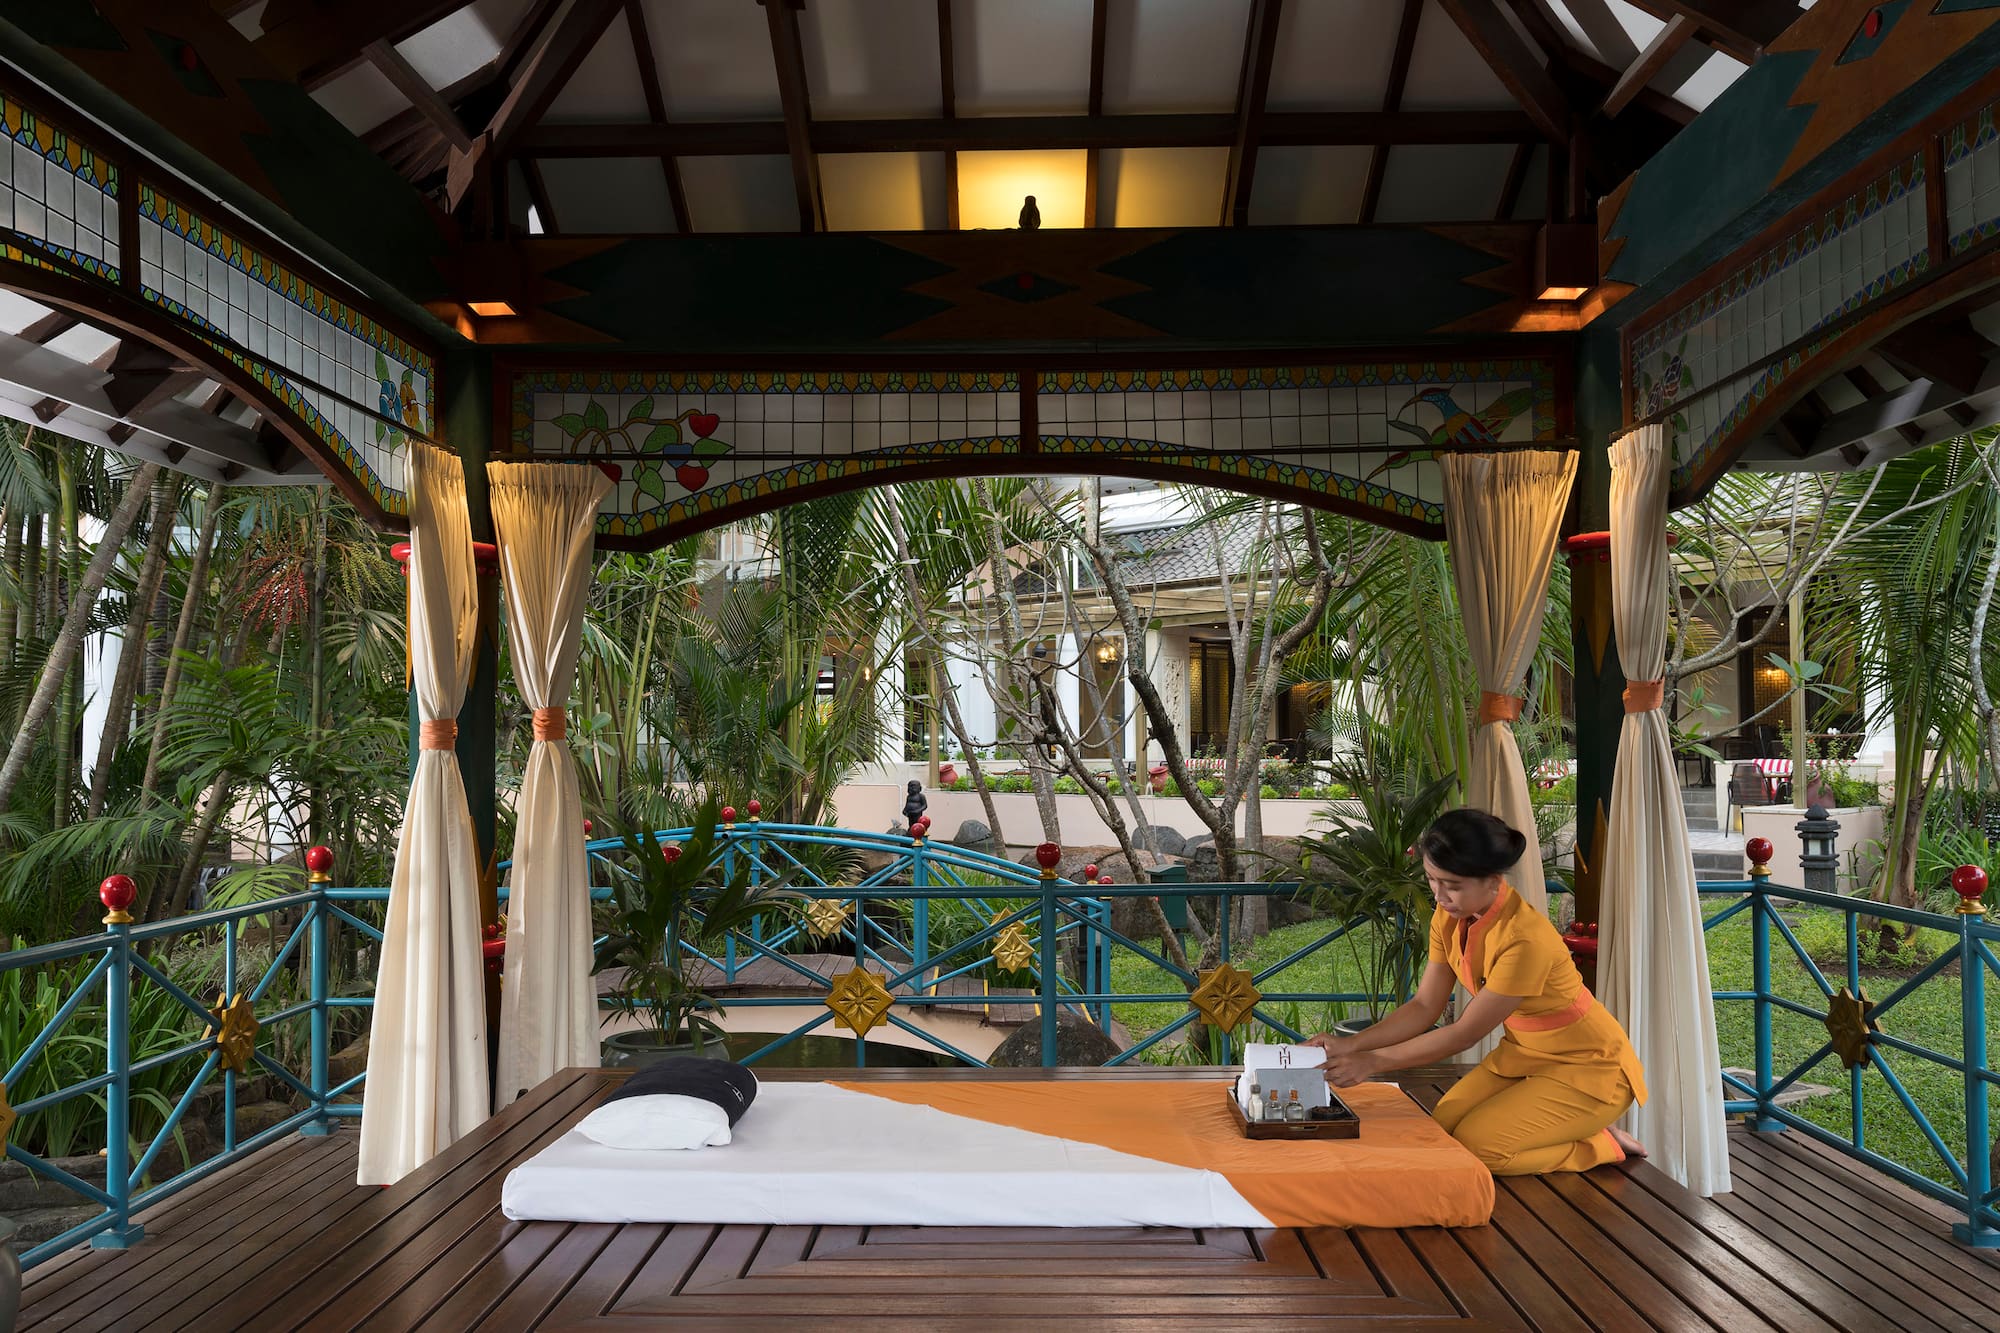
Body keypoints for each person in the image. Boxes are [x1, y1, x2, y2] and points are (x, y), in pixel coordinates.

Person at [1305, 808, 1647, 1175]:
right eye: (1431, 879)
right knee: (1443, 1130)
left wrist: (1372, 1062)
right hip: (1524, 1056)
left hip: (1590, 1067)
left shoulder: (1525, 939)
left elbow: (1464, 1034)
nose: (1439, 895)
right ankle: (1568, 1126)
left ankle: (1601, 1143)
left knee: (1479, 1148)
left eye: (1452, 885)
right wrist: (1350, 1045)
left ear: (1493, 881)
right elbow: (1424, 1006)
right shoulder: (1448, 917)